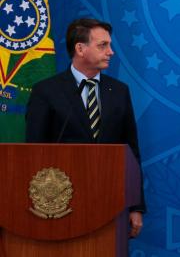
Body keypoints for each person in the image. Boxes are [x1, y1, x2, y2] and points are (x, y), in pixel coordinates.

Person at [25, 18, 145, 238]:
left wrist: (136, 206)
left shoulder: (119, 91)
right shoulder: (46, 91)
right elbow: (33, 152)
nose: (111, 52)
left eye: (109, 45)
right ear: (80, 48)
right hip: (59, 204)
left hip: (111, 201)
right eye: (103, 45)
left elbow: (132, 151)